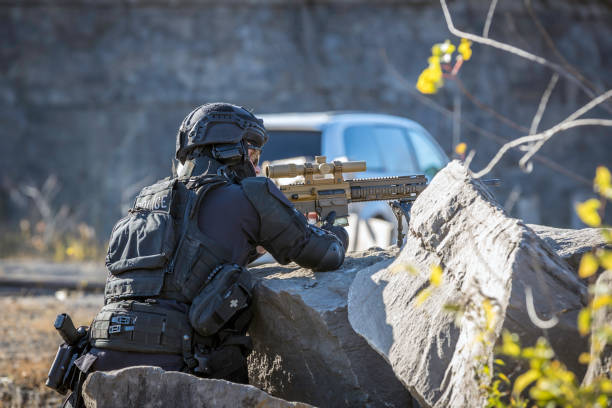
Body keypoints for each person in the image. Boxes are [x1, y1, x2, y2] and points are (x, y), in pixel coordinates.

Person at [61, 103, 348, 407]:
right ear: (229, 152)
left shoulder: (145, 202)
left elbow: (180, 267)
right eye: (252, 156)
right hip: (179, 371)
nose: (255, 168)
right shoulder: (252, 194)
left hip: (97, 366)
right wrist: (336, 224)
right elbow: (328, 254)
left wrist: (252, 244)